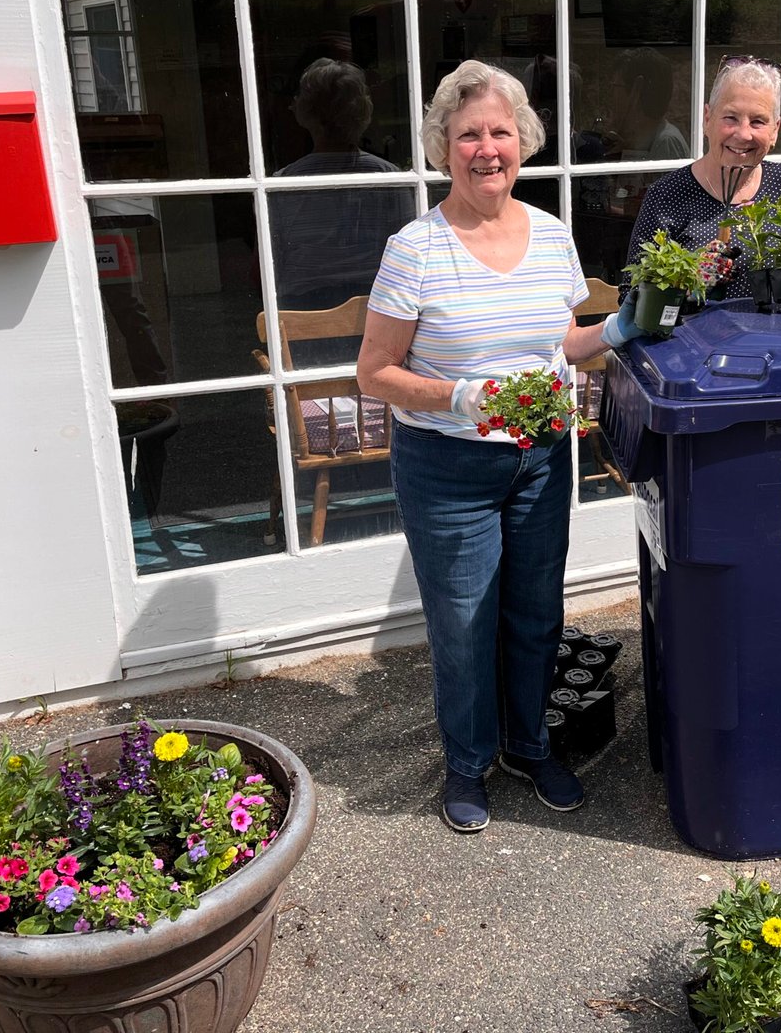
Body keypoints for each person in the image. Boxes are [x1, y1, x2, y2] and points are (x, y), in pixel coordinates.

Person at [356, 60, 646, 833]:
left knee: (533, 613)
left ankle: (528, 743)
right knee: (462, 622)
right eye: (468, 135)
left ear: (524, 141)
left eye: (501, 132)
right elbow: (374, 373)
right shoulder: (415, 247)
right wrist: (458, 396)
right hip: (448, 464)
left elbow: (564, 339)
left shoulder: (551, 236)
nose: (487, 148)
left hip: (542, 455)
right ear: (442, 148)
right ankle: (468, 761)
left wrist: (617, 329)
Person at [623, 56, 781, 307]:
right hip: (695, 343)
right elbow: (630, 294)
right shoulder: (667, 195)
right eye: (730, 118)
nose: (743, 134)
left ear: (775, 130)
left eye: (758, 121)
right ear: (707, 118)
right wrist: (689, 282)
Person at [269, 58, 412, 312]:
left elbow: (268, 266)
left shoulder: (282, 183)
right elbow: (410, 258)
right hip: (381, 304)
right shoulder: (388, 177)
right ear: (363, 112)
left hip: (302, 311)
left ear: (304, 112)